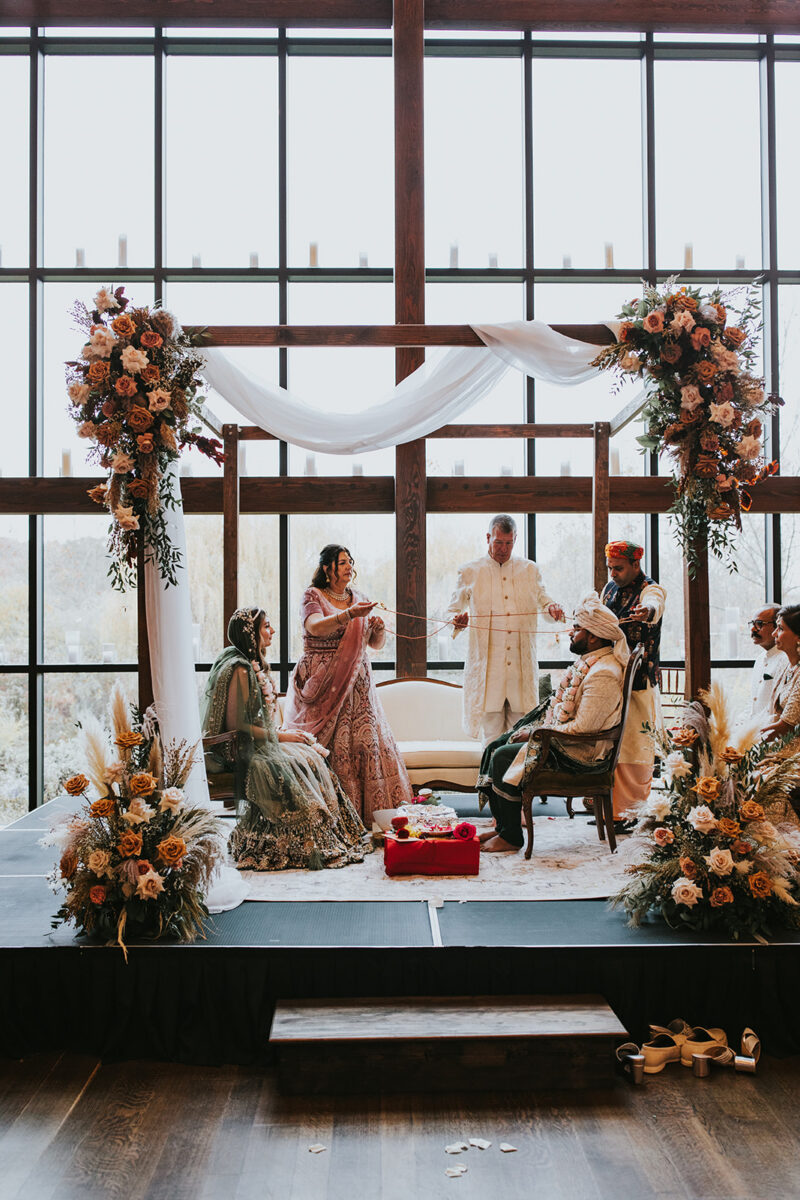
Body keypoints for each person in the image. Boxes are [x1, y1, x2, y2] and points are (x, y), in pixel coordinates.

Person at [202, 606, 370, 871]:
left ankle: (325, 834)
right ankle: (294, 843)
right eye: (266, 626)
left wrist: (285, 736)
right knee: (299, 762)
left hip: (259, 742)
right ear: (251, 634)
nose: (272, 631)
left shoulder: (250, 663)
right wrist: (282, 736)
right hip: (243, 750)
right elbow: (238, 727)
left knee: (310, 754)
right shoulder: (240, 669)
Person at [476, 593, 629, 852]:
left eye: (577, 628)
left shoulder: (604, 673)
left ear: (593, 636)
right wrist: (535, 729)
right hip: (564, 743)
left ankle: (512, 837)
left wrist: (538, 733)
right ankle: (503, 826)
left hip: (578, 754)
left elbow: (584, 729)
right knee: (497, 745)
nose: (571, 632)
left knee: (503, 756)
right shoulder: (590, 662)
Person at [283, 544, 413, 823]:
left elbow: (373, 644)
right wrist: (351, 615)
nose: (349, 566)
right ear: (328, 568)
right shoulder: (312, 595)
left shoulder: (359, 597)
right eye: (342, 562)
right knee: (330, 743)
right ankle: (328, 815)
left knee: (363, 743)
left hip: (358, 683)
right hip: (323, 682)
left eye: (350, 561)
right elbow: (315, 626)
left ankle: (368, 815)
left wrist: (377, 629)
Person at [447, 514, 565, 745]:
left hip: (521, 670)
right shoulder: (470, 571)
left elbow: (545, 602)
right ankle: (489, 782)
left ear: (515, 539)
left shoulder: (530, 570)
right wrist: (456, 621)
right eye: (498, 542)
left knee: (520, 735)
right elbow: (451, 610)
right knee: (491, 737)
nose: (503, 549)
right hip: (488, 671)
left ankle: (513, 782)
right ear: (488, 537)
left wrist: (553, 609)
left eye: (509, 543)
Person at [600, 539, 666, 821]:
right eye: (609, 568)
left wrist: (647, 611)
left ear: (636, 565)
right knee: (610, 743)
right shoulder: (609, 588)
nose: (612, 574)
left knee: (635, 745)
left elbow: (655, 604)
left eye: (618, 568)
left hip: (639, 680)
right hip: (610, 678)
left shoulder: (651, 589)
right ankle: (608, 811)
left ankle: (629, 814)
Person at [741, 603, 786, 728]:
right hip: (754, 737)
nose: (753, 629)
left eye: (759, 624)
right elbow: (753, 702)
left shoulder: (787, 660)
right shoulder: (760, 660)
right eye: (752, 623)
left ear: (777, 626)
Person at [762, 605, 800, 742]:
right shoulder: (784, 664)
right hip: (778, 748)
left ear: (798, 637)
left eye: (781, 629)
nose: (774, 634)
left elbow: (786, 726)